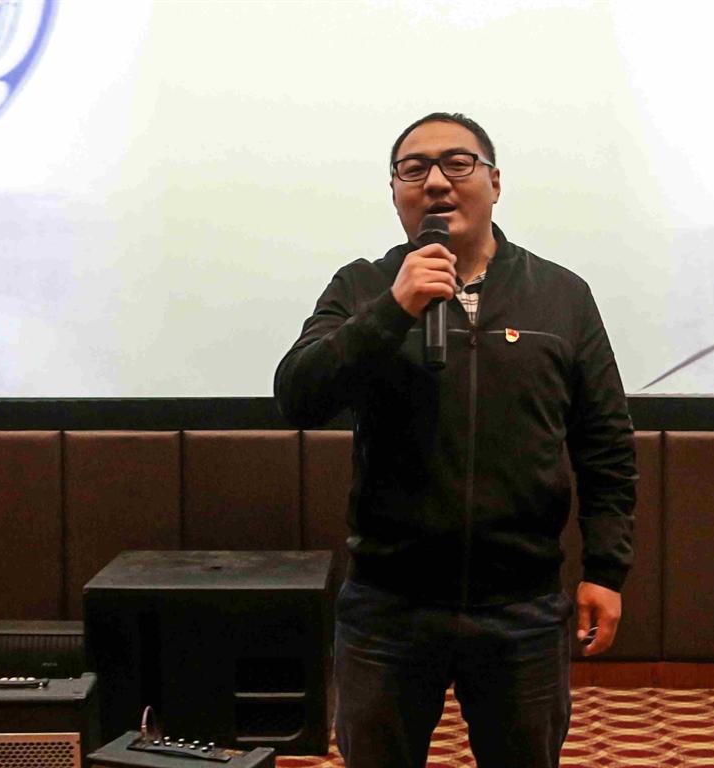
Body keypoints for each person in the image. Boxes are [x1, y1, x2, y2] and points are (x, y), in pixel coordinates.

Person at [274, 112, 637, 768]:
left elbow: (604, 442)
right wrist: (393, 310)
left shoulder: (561, 295)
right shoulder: (363, 286)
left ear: (495, 183)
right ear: (394, 192)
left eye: (457, 164)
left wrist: (606, 570)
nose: (436, 182)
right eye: (414, 169)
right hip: (388, 607)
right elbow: (298, 396)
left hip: (522, 607)